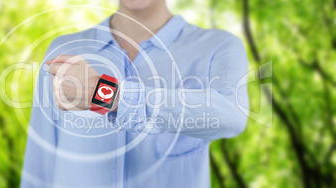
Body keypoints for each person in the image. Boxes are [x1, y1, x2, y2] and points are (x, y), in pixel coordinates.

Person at [21, 0, 249, 187]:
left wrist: (109, 95)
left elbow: (232, 114)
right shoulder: (65, 51)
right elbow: (39, 165)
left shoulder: (218, 47)